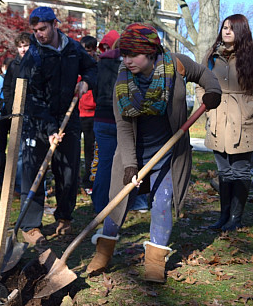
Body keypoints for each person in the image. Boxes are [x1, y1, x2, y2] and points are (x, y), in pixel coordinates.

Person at [86, 23, 221, 284]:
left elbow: (205, 74)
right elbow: (123, 127)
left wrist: (213, 91)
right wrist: (130, 165)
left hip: (169, 154)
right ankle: (102, 254)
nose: (126, 60)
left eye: (132, 55)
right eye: (124, 54)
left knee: (162, 204)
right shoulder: (122, 81)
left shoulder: (177, 65)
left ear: (150, 52)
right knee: (117, 203)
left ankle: (155, 263)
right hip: (132, 154)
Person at [18, 6, 97, 244]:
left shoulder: (73, 49)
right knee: (34, 172)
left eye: (43, 29)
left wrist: (86, 83)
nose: (39, 34)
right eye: (35, 30)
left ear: (55, 24)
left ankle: (64, 218)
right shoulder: (33, 56)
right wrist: (50, 129)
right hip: (38, 120)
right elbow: (33, 98)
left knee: (68, 170)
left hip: (69, 117)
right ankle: (30, 225)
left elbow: (92, 67)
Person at [201, 14, 253, 231]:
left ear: (241, 31)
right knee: (224, 172)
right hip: (217, 119)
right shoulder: (212, 56)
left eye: (232, 28)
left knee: (240, 170)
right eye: (224, 27)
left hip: (244, 122)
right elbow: (200, 81)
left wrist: (249, 111)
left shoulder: (250, 57)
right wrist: (207, 107)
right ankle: (223, 216)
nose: (227, 31)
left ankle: (235, 218)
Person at [90, 30, 120, 213]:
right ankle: (127, 201)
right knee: (126, 162)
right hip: (120, 117)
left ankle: (100, 202)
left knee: (104, 162)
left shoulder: (100, 64)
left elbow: (95, 89)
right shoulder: (129, 64)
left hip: (101, 116)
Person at [3, 32, 31, 194]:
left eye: (25, 45)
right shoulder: (14, 65)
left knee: (32, 151)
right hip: (16, 113)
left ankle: (31, 185)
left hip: (33, 112)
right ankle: (18, 185)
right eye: (20, 46)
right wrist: (10, 107)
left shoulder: (36, 63)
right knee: (18, 151)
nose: (22, 49)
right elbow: (7, 87)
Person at [79, 35, 98, 191]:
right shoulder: (76, 65)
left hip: (92, 115)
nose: (88, 54)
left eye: (91, 51)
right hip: (77, 113)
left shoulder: (96, 67)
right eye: (85, 50)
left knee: (90, 149)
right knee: (73, 148)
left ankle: (89, 179)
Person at [0, 57, 14, 185]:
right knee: (10, 146)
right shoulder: (9, 79)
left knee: (2, 146)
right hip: (7, 115)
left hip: (1, 115)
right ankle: (5, 175)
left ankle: (2, 176)